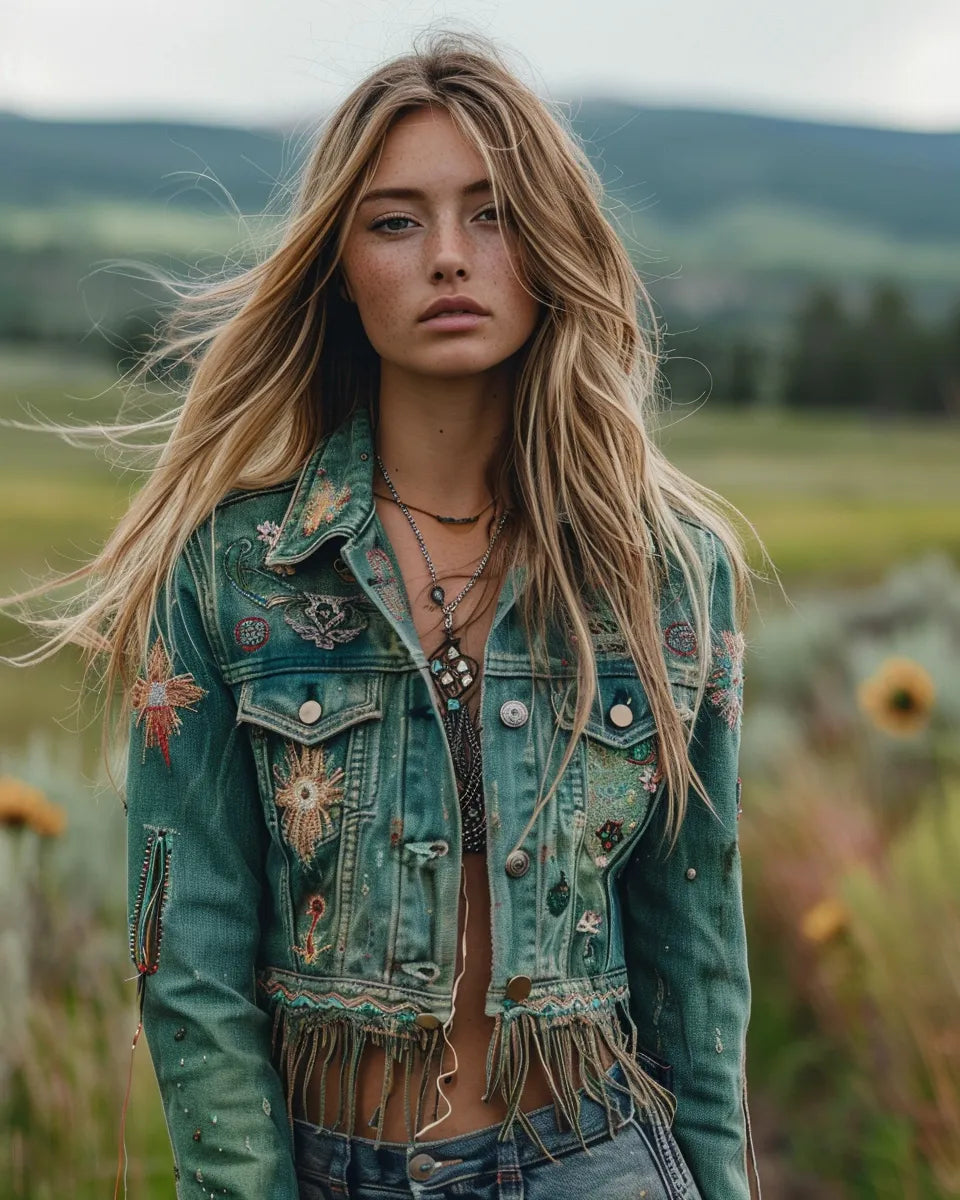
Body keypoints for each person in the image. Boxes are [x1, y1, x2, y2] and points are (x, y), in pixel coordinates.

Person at [2, 28, 765, 1200]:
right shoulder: (230, 574)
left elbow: (697, 958)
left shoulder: (666, 575)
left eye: (493, 213)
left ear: (552, 244)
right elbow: (191, 969)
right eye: (397, 220)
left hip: (597, 1162)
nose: (449, 257)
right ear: (342, 268)